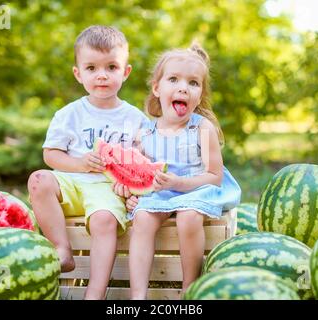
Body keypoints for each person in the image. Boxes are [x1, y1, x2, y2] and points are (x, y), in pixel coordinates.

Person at [27, 25, 148, 300]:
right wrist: (80, 163)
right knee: (38, 179)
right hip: (69, 182)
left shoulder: (135, 118)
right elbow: (51, 155)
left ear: (125, 72)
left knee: (104, 220)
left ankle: (95, 292)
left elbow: (142, 161)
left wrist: (130, 186)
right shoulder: (68, 114)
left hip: (107, 188)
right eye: (92, 68)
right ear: (78, 73)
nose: (102, 75)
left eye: (111, 67)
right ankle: (62, 249)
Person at [125, 43, 241, 299]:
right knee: (142, 218)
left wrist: (178, 183)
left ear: (199, 95)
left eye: (193, 83)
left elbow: (214, 176)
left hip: (198, 188)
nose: (183, 88)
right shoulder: (145, 132)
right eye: (174, 79)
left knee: (189, 215)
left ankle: (190, 287)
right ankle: (137, 296)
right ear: (157, 88)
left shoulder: (202, 128)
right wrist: (133, 192)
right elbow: (138, 173)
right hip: (162, 192)